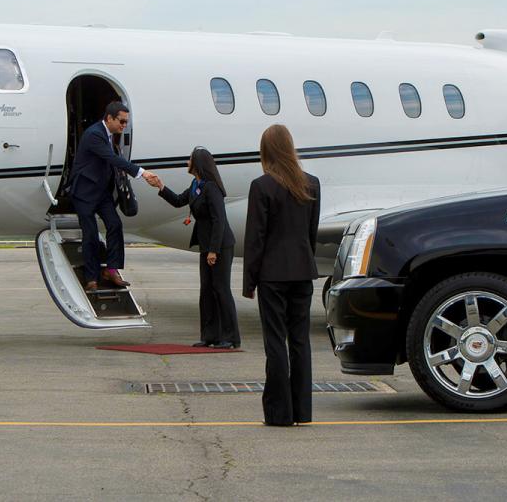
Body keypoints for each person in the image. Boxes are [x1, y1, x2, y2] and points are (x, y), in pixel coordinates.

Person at [242, 124, 321, 427]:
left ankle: (279, 412)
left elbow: (256, 238)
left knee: (275, 342)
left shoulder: (262, 186)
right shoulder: (311, 184)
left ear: (266, 151)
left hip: (273, 274)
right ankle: (303, 410)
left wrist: (249, 281)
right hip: (302, 271)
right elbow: (310, 233)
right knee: (300, 341)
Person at [69, 101, 160, 291]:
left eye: (126, 122)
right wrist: (141, 172)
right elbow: (112, 159)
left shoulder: (109, 135)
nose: (124, 126)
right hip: (84, 193)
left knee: (115, 225)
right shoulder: (94, 134)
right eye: (122, 121)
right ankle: (91, 277)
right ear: (109, 118)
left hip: (102, 192)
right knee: (91, 235)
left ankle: (111, 270)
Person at [155, 147, 240, 349]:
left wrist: (214, 250)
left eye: (190, 160)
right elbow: (177, 201)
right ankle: (210, 336)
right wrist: (160, 186)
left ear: (198, 164)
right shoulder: (196, 185)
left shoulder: (212, 188)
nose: (187, 163)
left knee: (221, 289)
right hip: (206, 245)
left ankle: (231, 337)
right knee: (206, 291)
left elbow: (219, 220)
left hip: (219, 245)